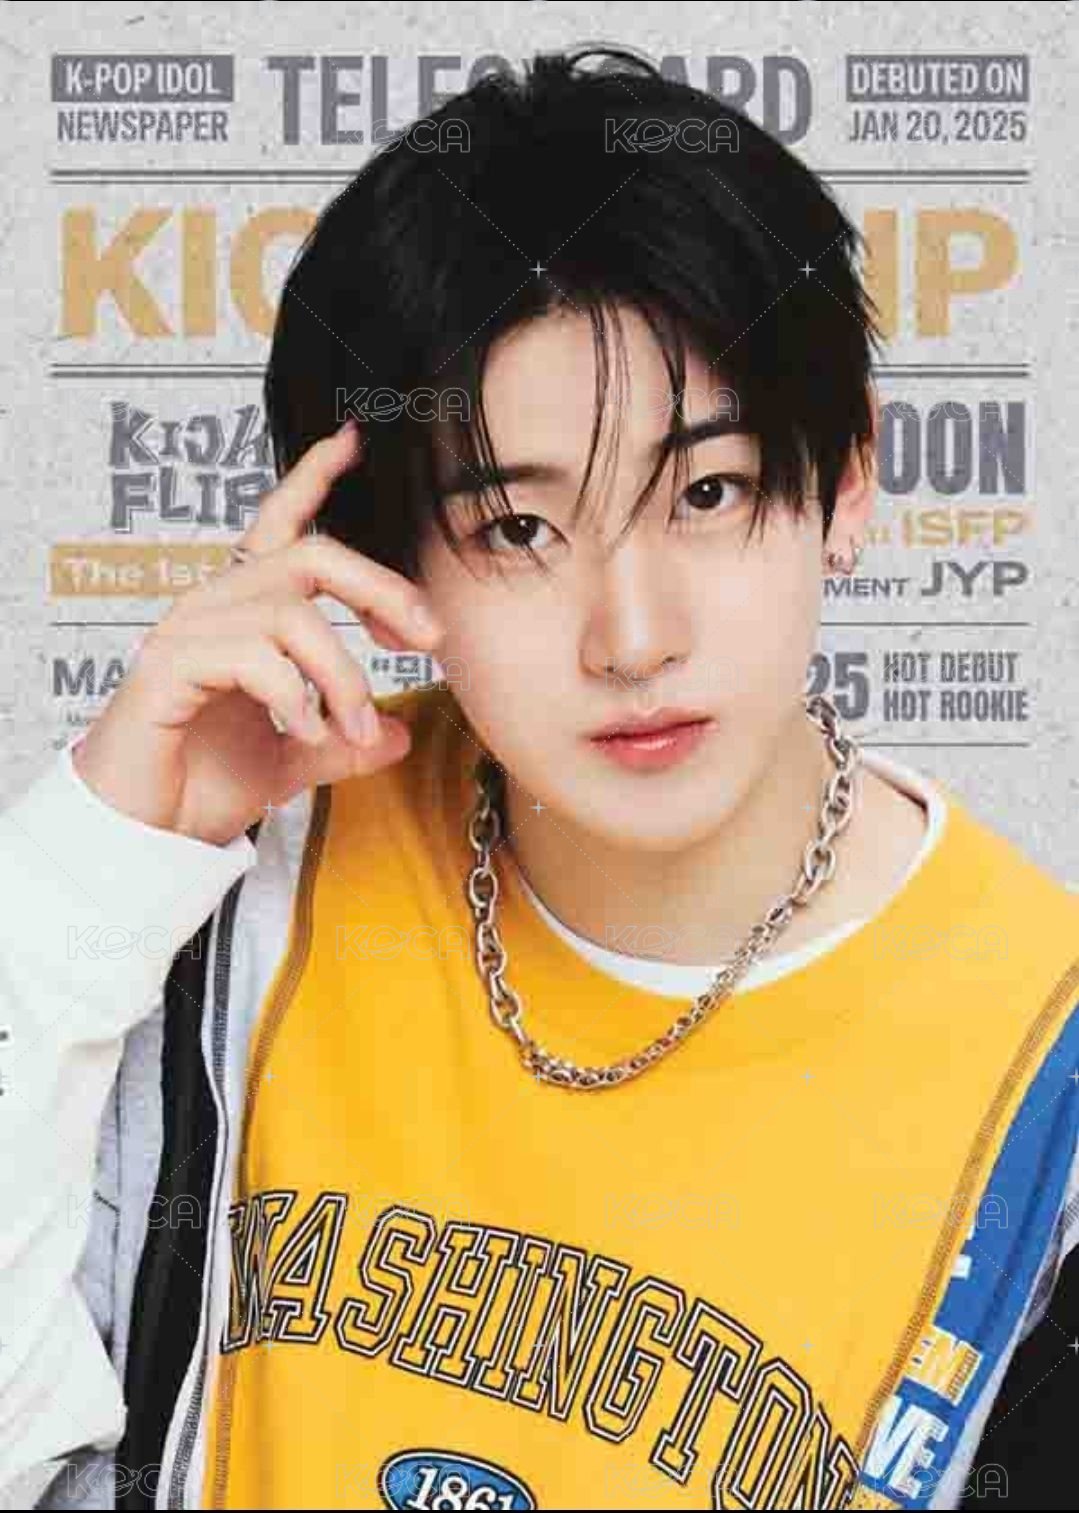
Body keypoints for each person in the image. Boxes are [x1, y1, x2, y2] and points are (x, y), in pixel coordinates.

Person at [1, 45, 1076, 1513]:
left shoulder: (1043, 1085)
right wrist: (97, 858)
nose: (633, 637)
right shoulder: (236, 890)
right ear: (384, 563)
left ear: (843, 483)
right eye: (517, 530)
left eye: (707, 492)